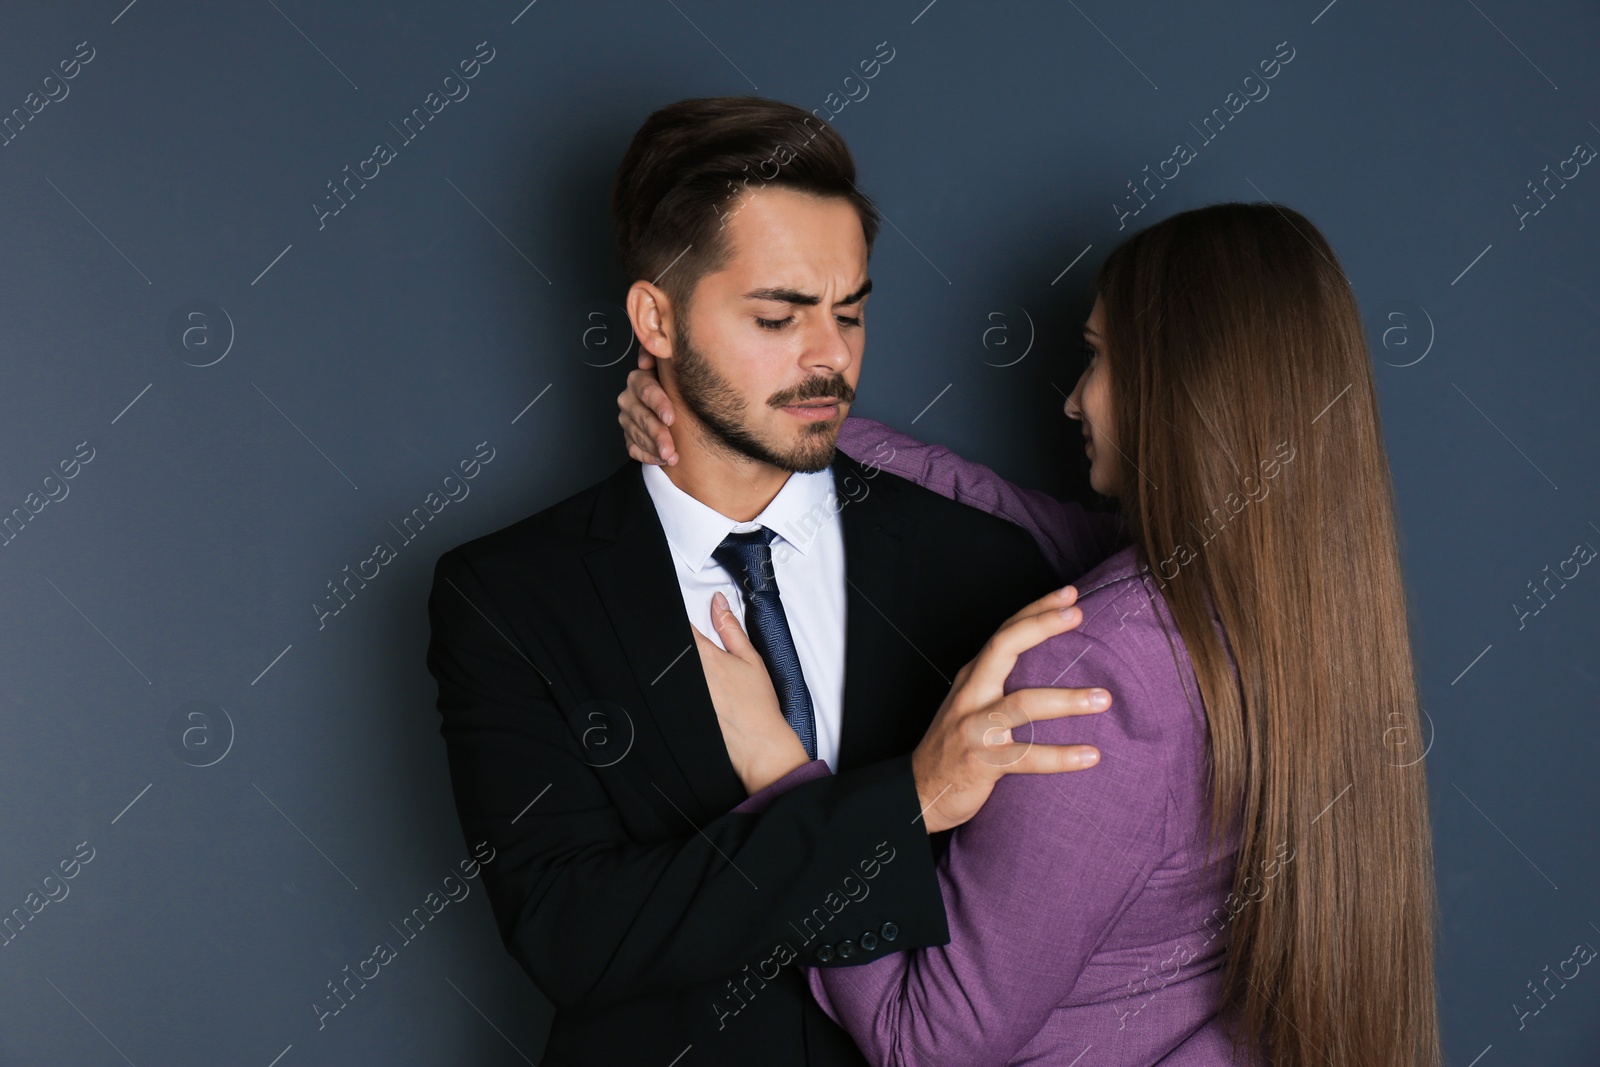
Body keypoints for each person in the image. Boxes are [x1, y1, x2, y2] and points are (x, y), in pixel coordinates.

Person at [619, 201, 1443, 1066]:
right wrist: (751, 420)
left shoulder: (1093, 676)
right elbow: (996, 504)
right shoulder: (1295, 607)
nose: (1073, 398)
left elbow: (923, 1035)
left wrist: (780, 770)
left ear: (1182, 385)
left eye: (1098, 358)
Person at [424, 96, 1121, 1067]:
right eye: (777, 314)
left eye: (849, 311)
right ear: (655, 317)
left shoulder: (982, 564)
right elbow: (572, 934)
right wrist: (904, 802)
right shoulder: (507, 594)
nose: (830, 355)